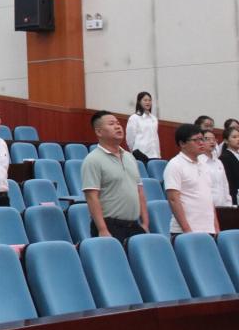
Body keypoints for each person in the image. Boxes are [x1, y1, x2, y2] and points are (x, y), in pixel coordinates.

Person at [81, 111, 148, 243]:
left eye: (118, 123)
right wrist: (102, 229)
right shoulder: (93, 160)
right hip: (110, 226)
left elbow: (139, 191)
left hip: (134, 226)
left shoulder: (130, 157)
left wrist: (145, 223)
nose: (118, 126)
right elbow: (91, 197)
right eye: (111, 124)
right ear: (99, 132)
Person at [164, 124, 218, 236]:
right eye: (196, 140)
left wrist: (216, 228)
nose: (201, 143)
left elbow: (209, 198)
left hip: (209, 229)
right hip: (185, 231)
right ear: (182, 143)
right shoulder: (175, 165)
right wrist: (187, 230)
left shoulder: (204, 164)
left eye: (202, 139)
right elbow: (173, 199)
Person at [199, 127, 231, 208]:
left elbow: (225, 185)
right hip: (206, 207)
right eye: (207, 139)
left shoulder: (218, 162)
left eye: (213, 139)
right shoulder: (198, 162)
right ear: (200, 141)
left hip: (223, 206)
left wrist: (228, 203)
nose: (212, 141)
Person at [125, 91, 159, 161]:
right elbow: (130, 139)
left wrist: (158, 153)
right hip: (141, 154)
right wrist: (135, 152)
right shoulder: (134, 118)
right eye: (145, 100)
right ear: (139, 102)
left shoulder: (154, 119)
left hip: (154, 154)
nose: (148, 102)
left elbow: (155, 137)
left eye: (149, 100)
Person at [218, 125, 239, 205]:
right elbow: (228, 182)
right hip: (234, 197)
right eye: (234, 137)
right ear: (226, 140)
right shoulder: (225, 158)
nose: (238, 139)